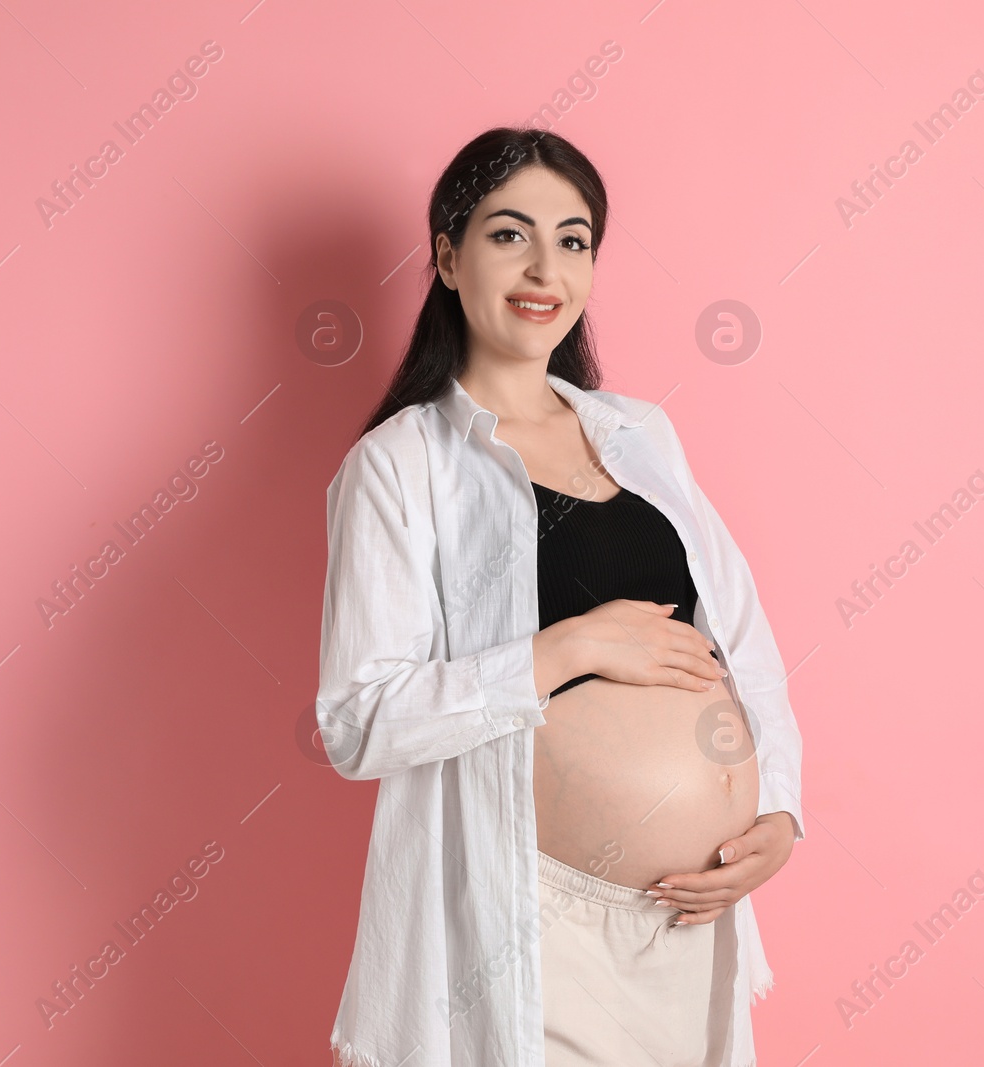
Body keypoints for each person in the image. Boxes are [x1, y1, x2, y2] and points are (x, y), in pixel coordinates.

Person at [316, 126, 805, 1067]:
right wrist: (569, 649)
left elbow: (745, 643)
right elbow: (357, 721)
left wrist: (778, 812)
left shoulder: (641, 432)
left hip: (687, 925)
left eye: (574, 240)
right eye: (510, 234)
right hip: (529, 932)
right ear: (449, 257)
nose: (546, 266)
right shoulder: (399, 464)